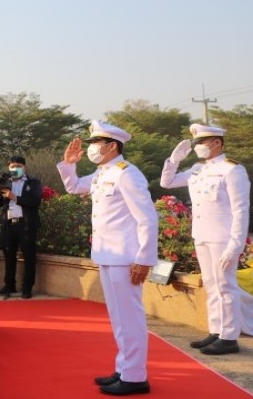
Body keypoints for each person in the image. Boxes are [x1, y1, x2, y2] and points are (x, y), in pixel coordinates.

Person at [57, 120, 157, 396]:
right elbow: (74, 186)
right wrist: (69, 164)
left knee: (130, 317)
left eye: (95, 144)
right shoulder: (103, 173)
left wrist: (145, 258)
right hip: (107, 254)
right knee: (118, 317)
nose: (91, 148)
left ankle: (136, 377)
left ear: (112, 146)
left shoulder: (128, 174)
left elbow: (147, 217)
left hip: (126, 257)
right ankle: (125, 368)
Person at [160, 123, 250, 356]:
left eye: (201, 142)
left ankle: (229, 337)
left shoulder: (232, 170)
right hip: (202, 235)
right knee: (211, 285)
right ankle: (216, 330)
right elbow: (166, 182)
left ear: (217, 143)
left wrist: (235, 245)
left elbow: (241, 211)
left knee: (226, 286)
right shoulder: (198, 170)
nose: (198, 146)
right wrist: (174, 160)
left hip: (223, 238)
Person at [0, 156, 42, 299]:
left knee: (29, 256)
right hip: (8, 224)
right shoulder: (6, 182)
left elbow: (35, 201)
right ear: (8, 167)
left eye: (18, 165)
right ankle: (9, 285)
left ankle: (27, 288)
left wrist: (15, 197)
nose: (15, 168)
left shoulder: (33, 182)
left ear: (24, 167)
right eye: (12, 166)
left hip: (26, 224)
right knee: (8, 256)